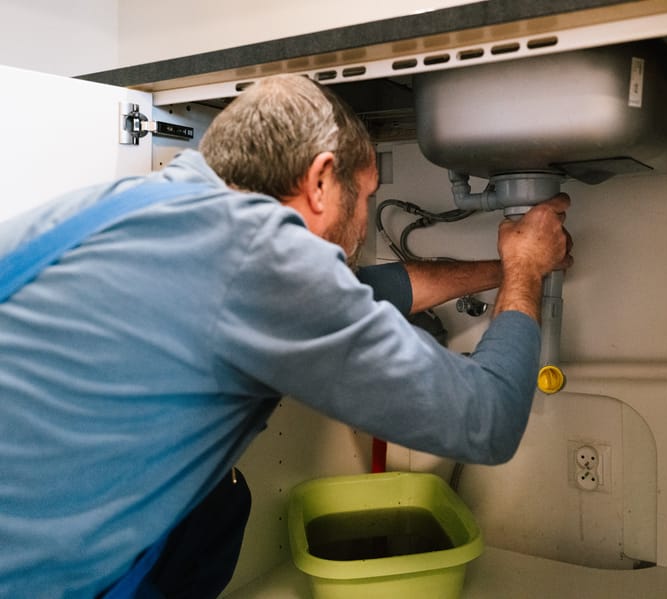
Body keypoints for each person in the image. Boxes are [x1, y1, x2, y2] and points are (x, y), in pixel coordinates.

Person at [0, 73, 572, 598]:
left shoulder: (133, 207)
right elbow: (488, 421)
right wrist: (525, 271)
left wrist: (503, 268)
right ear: (322, 180)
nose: (364, 217)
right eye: (367, 196)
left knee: (218, 502)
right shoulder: (262, 264)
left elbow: (353, 293)